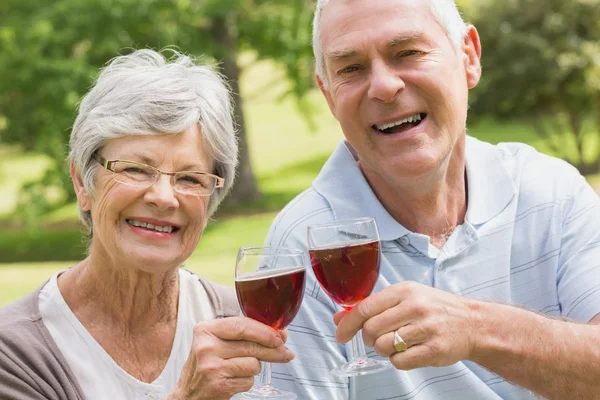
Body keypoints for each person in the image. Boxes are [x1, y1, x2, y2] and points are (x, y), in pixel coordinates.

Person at [265, 0, 600, 398]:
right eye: (351, 69)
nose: (385, 86)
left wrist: (475, 328)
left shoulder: (552, 192)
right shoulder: (305, 246)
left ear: (469, 57)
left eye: (407, 52)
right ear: (328, 95)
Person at [0, 49, 294, 400]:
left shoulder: (247, 326)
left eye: (189, 178)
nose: (164, 197)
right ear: (82, 183)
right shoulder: (17, 352)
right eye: (135, 170)